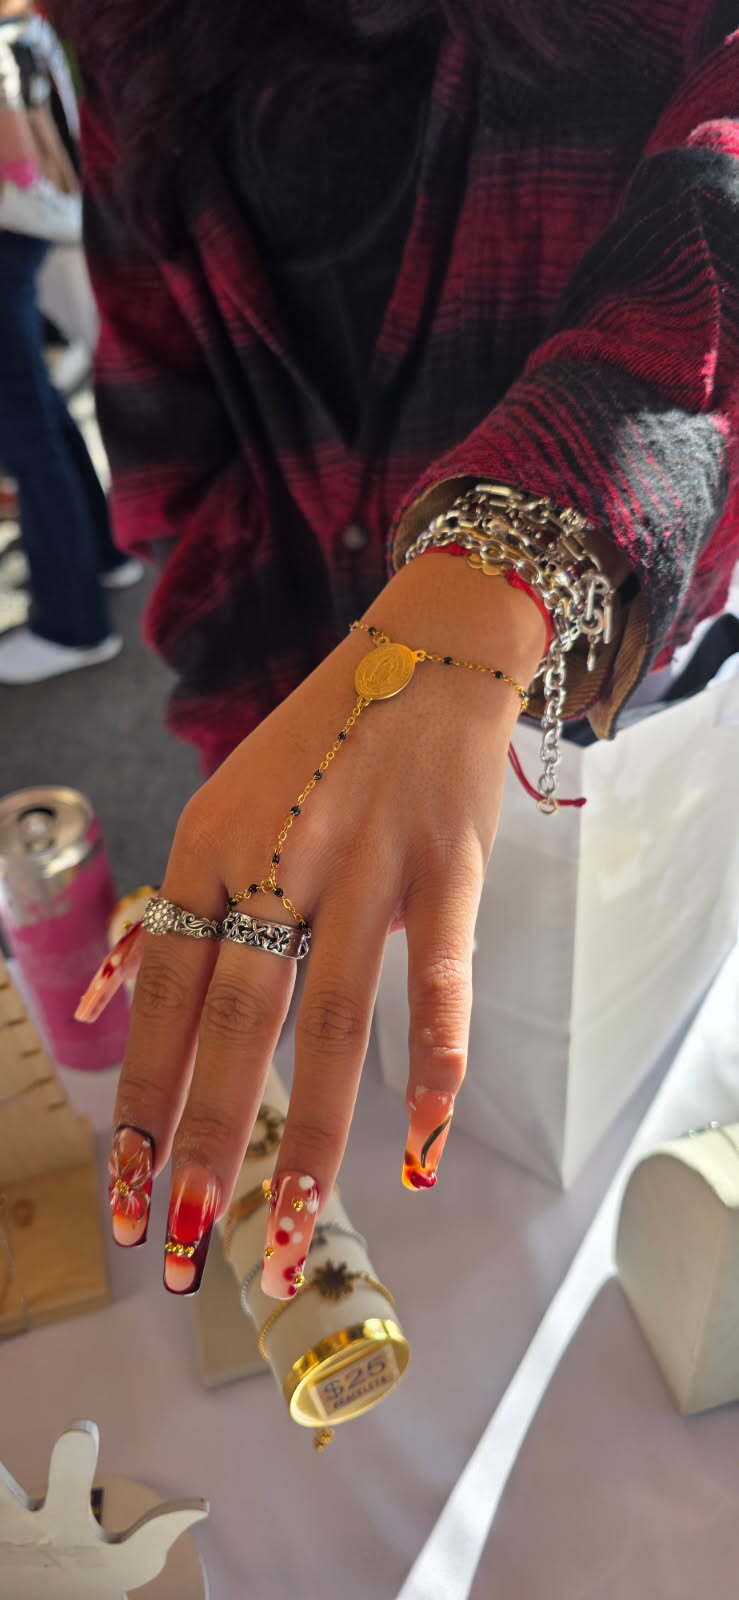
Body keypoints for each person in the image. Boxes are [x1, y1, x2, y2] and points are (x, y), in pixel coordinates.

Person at [69, 0, 739, 1296]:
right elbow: (171, 450)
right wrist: (257, 737)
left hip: (617, 700)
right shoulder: (124, 33)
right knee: (362, 1092)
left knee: (600, 1129)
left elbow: (713, 230)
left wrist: (509, 554)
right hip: (313, 725)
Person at [0, 5, 140, 685]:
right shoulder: (23, 29)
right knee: (37, 409)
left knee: (24, 426)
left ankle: (72, 621)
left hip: (12, 228)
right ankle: (103, 554)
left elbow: (19, 162)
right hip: (25, 228)